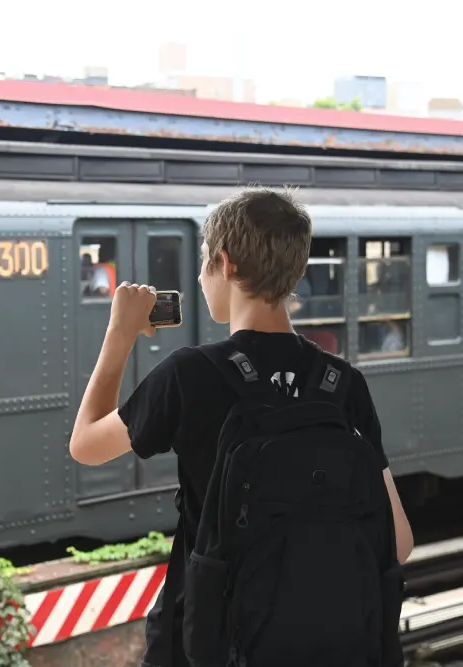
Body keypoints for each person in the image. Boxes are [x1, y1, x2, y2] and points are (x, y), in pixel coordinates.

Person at [69, 187, 414, 667]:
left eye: (204, 263)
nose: (202, 277)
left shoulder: (190, 374)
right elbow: (399, 541)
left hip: (211, 646)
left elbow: (86, 444)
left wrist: (120, 334)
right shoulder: (342, 384)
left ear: (225, 264)